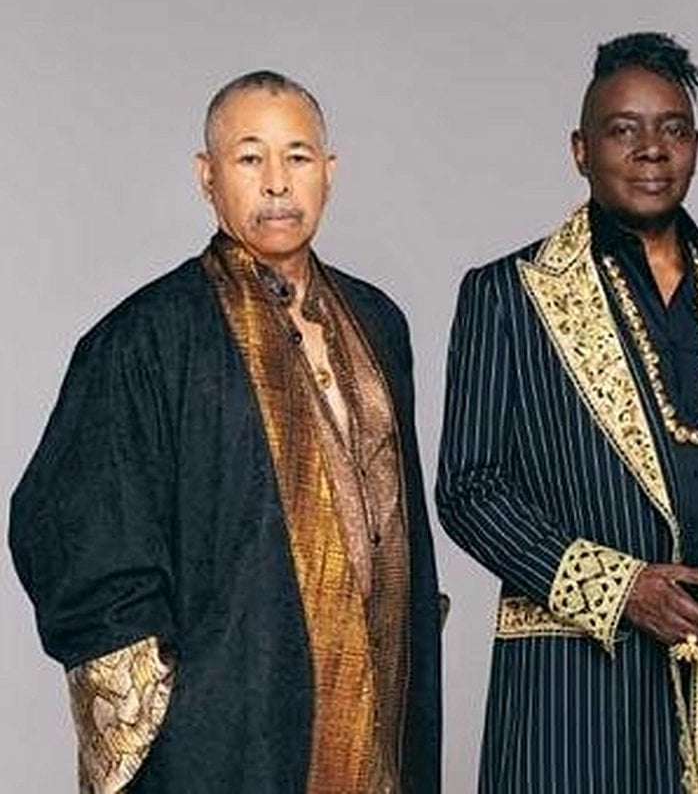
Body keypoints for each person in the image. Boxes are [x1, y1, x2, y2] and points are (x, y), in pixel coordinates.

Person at [9, 70, 441, 793]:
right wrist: (170, 711)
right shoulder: (146, 338)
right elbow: (70, 531)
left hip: (377, 718)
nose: (277, 182)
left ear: (329, 173)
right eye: (249, 157)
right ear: (207, 177)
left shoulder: (377, 322)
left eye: (297, 156)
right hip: (225, 730)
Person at [436, 32, 698, 793]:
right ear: (581, 150)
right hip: (575, 689)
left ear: (696, 146)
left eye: (673, 128)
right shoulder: (509, 293)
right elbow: (470, 489)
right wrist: (621, 588)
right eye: (624, 129)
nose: (652, 148)